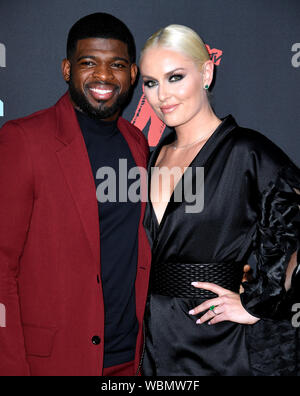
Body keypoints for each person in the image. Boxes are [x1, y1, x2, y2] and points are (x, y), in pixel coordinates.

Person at [139, 24, 300, 376]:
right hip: (151, 342)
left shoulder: (247, 151)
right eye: (150, 82)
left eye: (175, 77)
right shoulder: (151, 156)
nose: (161, 95)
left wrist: (259, 303)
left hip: (219, 343)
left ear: (206, 72)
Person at [0, 13, 151, 376]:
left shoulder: (137, 142)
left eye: (116, 65)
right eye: (89, 63)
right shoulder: (24, 140)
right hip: (53, 362)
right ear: (68, 69)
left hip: (129, 360)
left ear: (132, 75)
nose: (103, 76)